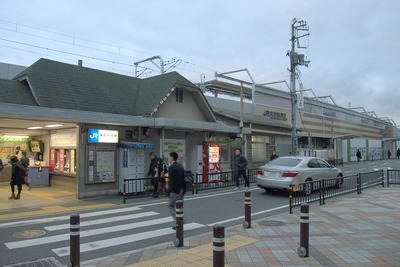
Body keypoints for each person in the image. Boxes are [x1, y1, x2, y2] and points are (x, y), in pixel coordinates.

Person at [167, 151, 186, 229]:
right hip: (182, 188)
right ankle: (178, 223)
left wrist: (170, 190)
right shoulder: (180, 166)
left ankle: (179, 220)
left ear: (172, 157)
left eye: (169, 157)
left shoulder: (172, 167)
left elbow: (172, 180)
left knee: (170, 205)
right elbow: (183, 178)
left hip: (175, 190)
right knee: (179, 206)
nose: (168, 158)